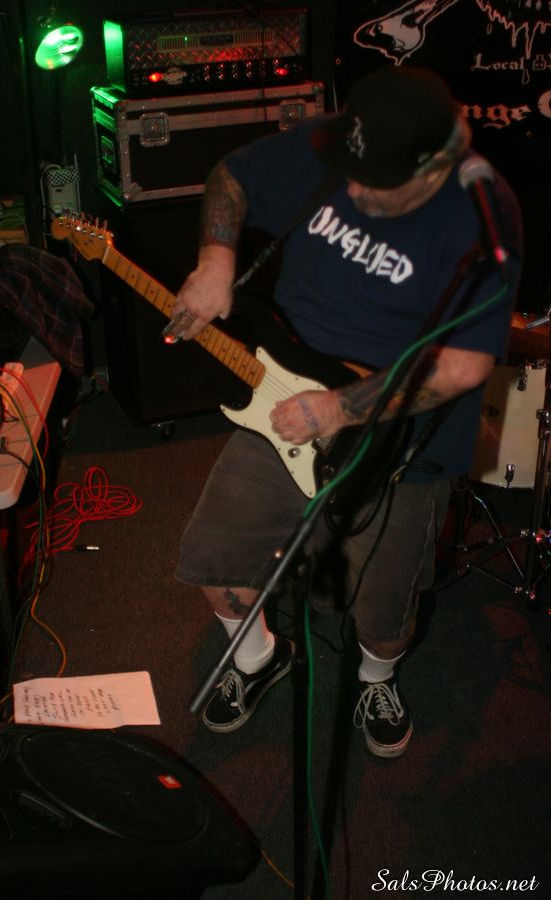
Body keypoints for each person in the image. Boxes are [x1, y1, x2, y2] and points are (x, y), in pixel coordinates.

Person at [172, 65, 523, 757]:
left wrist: (338, 408)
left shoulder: (484, 215)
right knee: (211, 559)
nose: (354, 190)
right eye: (350, 172)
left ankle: (376, 676)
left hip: (403, 441)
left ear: (434, 164)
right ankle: (257, 659)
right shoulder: (351, 142)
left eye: (375, 182)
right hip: (283, 395)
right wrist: (216, 260)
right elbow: (232, 174)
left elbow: (462, 366)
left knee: (383, 609)